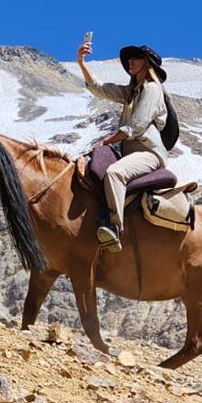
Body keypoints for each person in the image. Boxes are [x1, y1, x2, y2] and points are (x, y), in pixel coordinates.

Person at [76, 41, 170, 252]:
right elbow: (101, 90)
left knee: (115, 173)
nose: (130, 61)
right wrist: (82, 63)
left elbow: (136, 125)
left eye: (136, 57)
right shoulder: (131, 92)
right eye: (130, 58)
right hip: (131, 153)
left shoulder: (153, 89)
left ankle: (114, 228)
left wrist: (107, 140)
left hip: (149, 153)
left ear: (148, 64)